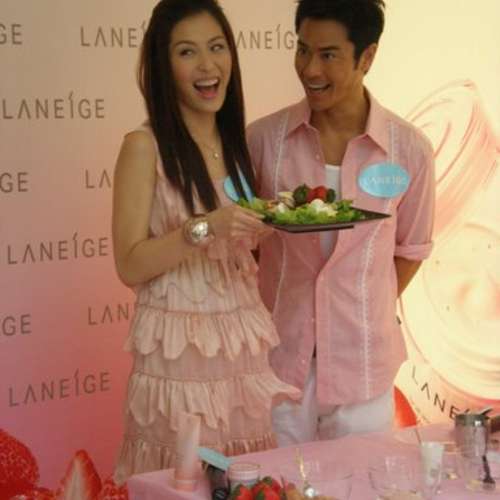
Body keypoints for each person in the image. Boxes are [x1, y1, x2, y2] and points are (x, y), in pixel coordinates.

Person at [112, 0, 299, 482]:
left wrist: (259, 226)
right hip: (181, 358)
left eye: (216, 47)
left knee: (246, 479)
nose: (207, 65)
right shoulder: (144, 146)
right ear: (163, 65)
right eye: (187, 52)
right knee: (181, 480)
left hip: (239, 352)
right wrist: (205, 228)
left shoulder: (235, 143)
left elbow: (239, 247)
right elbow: (129, 263)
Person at [247, 0, 436, 446]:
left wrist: (354, 304)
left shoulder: (409, 150)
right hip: (278, 362)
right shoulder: (263, 140)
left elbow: (410, 250)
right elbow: (250, 241)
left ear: (366, 57)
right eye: (302, 49)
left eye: (328, 55)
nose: (310, 69)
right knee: (275, 480)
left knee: (358, 479)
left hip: (363, 365)